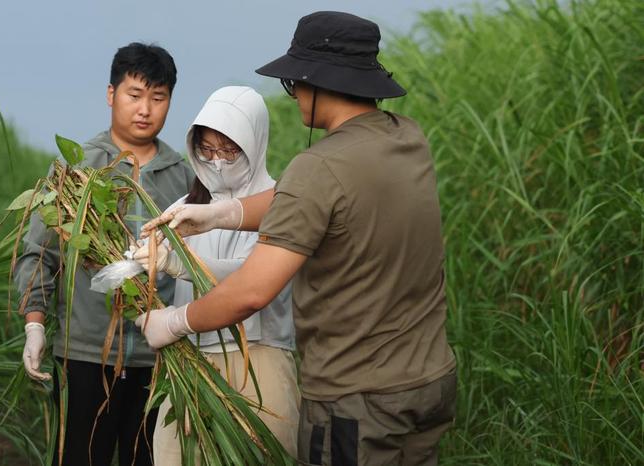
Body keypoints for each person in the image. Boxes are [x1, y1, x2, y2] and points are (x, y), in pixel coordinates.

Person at [139, 11, 457, 466]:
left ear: (318, 82)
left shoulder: (319, 166)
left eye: (294, 84)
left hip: (358, 399)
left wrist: (175, 321)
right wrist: (222, 214)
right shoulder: (406, 138)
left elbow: (252, 292)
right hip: (429, 382)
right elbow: (314, 201)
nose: (294, 96)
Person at [15, 42, 194, 466]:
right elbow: (39, 252)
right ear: (111, 94)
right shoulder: (78, 169)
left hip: (160, 358)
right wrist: (35, 325)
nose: (145, 109)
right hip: (85, 354)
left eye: (158, 97)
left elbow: (195, 264)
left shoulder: (185, 177)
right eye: (134, 95)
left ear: (170, 100)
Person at [132, 86, 300, 463]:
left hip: (257, 360)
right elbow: (150, 248)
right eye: (207, 151)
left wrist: (181, 264)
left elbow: (253, 277)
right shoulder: (187, 205)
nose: (218, 162)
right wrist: (130, 262)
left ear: (254, 144)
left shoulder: (280, 202)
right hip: (191, 359)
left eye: (228, 151)